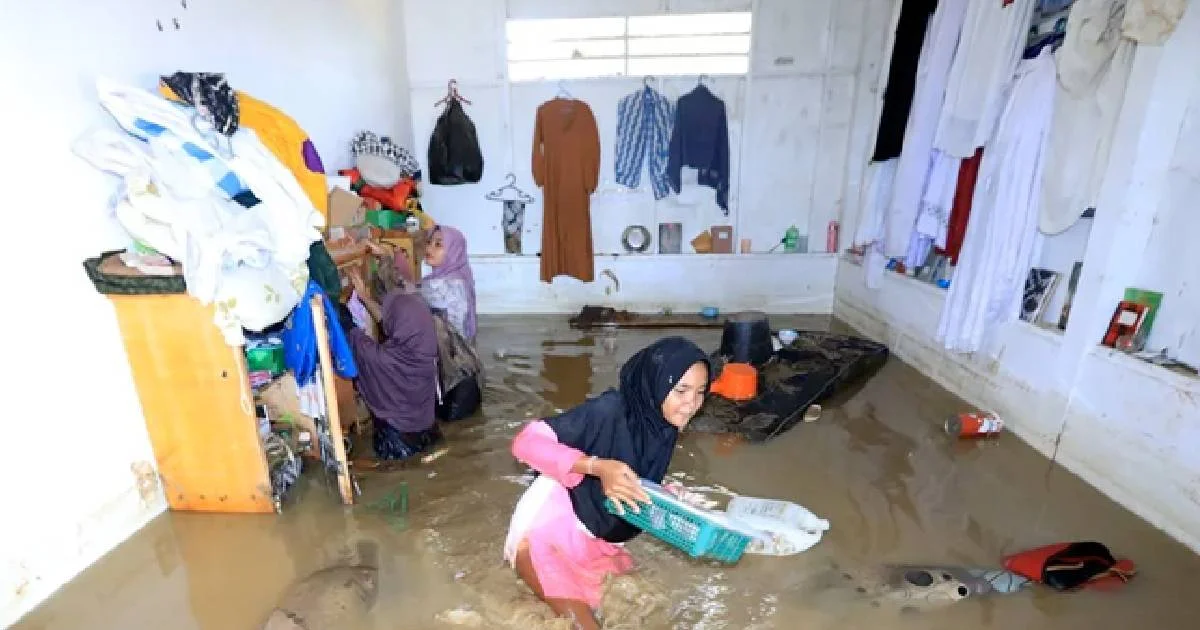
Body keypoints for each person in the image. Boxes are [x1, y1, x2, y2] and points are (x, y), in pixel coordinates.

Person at [504, 337, 712, 629]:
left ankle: (533, 598)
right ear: (655, 385)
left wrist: (668, 498)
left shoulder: (660, 426)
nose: (691, 404)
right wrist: (596, 467)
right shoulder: (608, 410)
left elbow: (630, 478)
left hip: (598, 543)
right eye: (681, 391)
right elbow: (525, 442)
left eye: (701, 392)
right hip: (548, 534)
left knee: (649, 607)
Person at [346, 272, 441, 465]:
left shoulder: (383, 360)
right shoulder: (426, 349)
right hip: (429, 435)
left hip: (396, 444)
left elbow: (356, 339)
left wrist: (339, 313)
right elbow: (387, 323)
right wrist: (365, 299)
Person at [422, 225, 477, 341]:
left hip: (447, 353)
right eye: (428, 242)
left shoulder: (451, 285)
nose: (429, 249)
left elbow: (455, 334)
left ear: (454, 251)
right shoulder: (455, 275)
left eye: (438, 244)